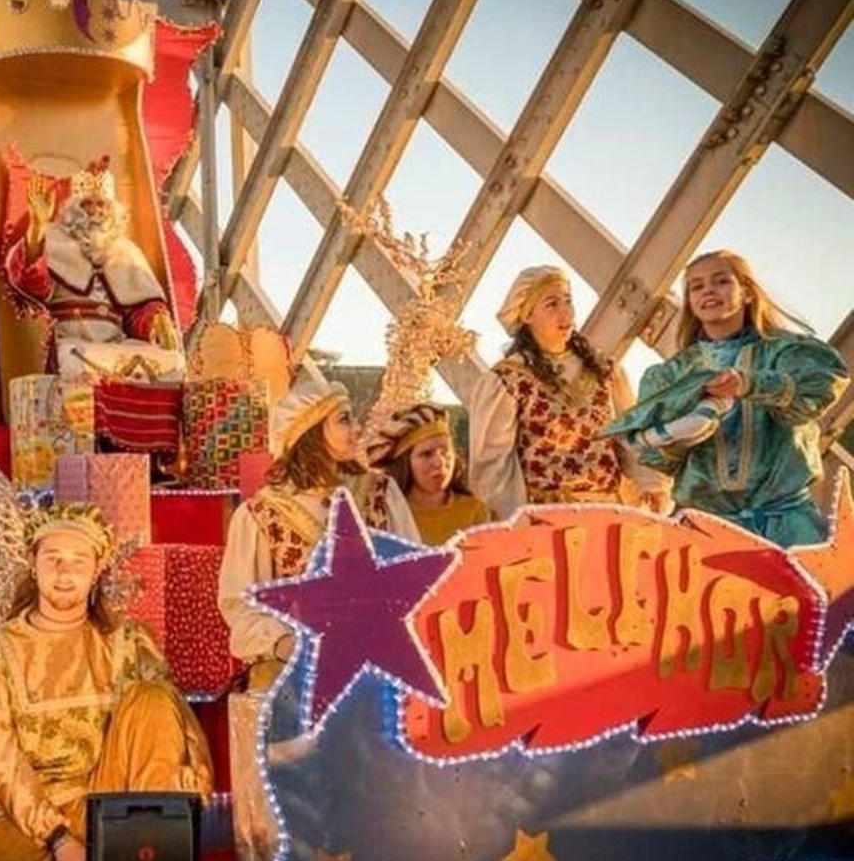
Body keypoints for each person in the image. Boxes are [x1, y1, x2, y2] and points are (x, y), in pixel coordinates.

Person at [0, 504, 213, 861]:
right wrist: (59, 839)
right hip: (26, 809)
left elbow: (174, 726)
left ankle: (153, 832)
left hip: (113, 800)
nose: (64, 572)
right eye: (53, 559)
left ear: (96, 572)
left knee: (155, 698)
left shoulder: (128, 644)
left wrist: (188, 794)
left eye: (79, 561)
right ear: (33, 565)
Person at [606, 250, 849, 546]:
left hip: (788, 528)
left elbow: (817, 390)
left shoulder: (788, 352)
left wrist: (750, 383)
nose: (708, 290)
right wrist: (683, 433)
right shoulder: (671, 375)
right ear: (691, 303)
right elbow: (656, 456)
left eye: (721, 281)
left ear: (746, 292)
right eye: (696, 286)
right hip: (706, 532)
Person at [218, 376, 421, 691]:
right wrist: (284, 642)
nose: (357, 428)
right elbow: (240, 606)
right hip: (298, 674)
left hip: (379, 669)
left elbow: (414, 577)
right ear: (309, 433)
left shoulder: (380, 493)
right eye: (344, 420)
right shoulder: (260, 516)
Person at [469, 265, 666, 517]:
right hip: (546, 518)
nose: (565, 312)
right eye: (551, 304)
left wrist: (651, 487)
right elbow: (493, 464)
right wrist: (517, 519)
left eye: (568, 301)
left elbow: (631, 438)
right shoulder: (508, 379)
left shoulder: (605, 371)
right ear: (527, 315)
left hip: (608, 512)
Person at [4, 160, 181, 377]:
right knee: (79, 365)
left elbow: (138, 313)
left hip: (118, 344)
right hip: (69, 343)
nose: (96, 211)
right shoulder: (52, 238)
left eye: (102, 204)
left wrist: (156, 320)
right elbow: (31, 285)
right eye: (88, 204)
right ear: (74, 208)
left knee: (169, 364)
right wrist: (37, 229)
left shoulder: (126, 250)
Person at [366, 403, 493, 545]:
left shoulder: (475, 512)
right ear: (405, 463)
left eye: (445, 452)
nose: (440, 462)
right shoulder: (386, 513)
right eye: (426, 454)